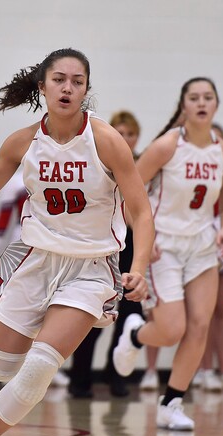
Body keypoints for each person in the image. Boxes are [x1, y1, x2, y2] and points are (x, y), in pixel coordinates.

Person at [0, 48, 154, 436]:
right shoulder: (22, 142)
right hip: (35, 261)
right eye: (59, 79)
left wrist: (141, 267)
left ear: (86, 90)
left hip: (92, 267)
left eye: (77, 81)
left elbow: (142, 212)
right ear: (42, 86)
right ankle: (44, 325)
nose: (67, 88)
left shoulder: (107, 140)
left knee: (40, 367)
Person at [112, 77, 223, 431]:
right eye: (194, 97)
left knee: (200, 325)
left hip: (202, 245)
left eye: (207, 97)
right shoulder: (166, 146)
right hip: (163, 244)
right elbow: (129, 193)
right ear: (183, 105)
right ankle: (135, 332)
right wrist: (142, 234)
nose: (201, 103)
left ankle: (172, 403)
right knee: (171, 330)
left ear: (216, 105)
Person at [68, 109, 142, 398]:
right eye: (120, 133)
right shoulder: (96, 162)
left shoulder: (141, 165)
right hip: (104, 244)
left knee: (129, 315)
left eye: (131, 134)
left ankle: (117, 376)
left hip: (132, 245)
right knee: (94, 314)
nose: (125, 138)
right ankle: (80, 378)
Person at [0, 168, 70, 388]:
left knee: (52, 308)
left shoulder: (62, 174)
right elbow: (4, 217)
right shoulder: (15, 179)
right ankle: (11, 368)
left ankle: (47, 367)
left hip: (55, 247)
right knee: (18, 307)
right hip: (20, 247)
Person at [193, 123, 223, 392]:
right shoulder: (194, 177)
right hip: (198, 249)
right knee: (203, 315)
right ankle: (203, 370)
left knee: (221, 313)